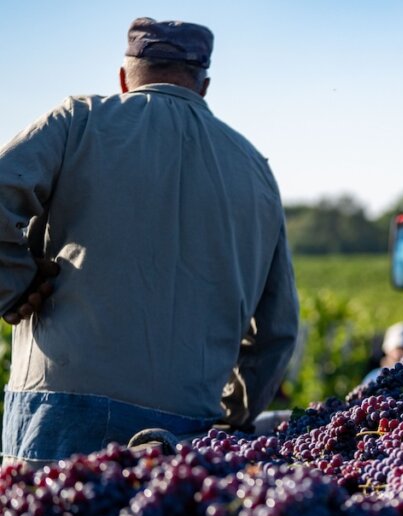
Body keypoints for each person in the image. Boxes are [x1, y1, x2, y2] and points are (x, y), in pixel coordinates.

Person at [0, 18, 299, 467]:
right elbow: (277, 329)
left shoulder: (78, 121)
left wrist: (16, 285)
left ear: (125, 78)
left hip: (56, 412)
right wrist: (235, 416)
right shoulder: (255, 169)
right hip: (186, 427)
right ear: (204, 86)